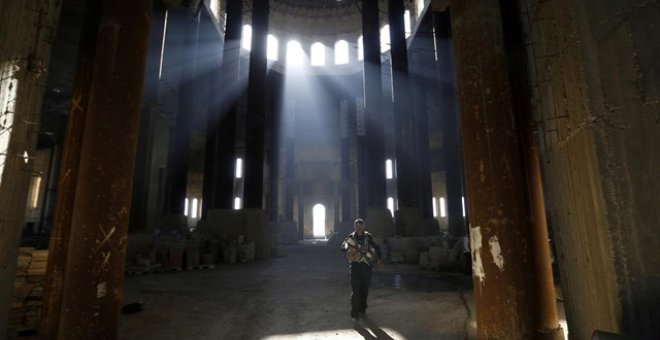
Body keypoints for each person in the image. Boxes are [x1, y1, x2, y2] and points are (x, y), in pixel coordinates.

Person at [341, 218, 384, 321]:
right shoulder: (350, 237)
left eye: (361, 226)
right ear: (355, 227)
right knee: (356, 291)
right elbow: (343, 247)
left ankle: (362, 309)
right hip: (355, 267)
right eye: (357, 226)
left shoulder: (368, 237)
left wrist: (380, 259)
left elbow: (377, 247)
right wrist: (347, 248)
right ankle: (354, 314)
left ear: (363, 226)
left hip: (366, 267)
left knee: (364, 289)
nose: (359, 228)